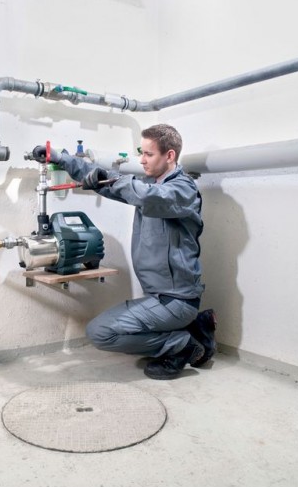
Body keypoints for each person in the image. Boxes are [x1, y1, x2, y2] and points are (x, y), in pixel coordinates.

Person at [32, 124, 216, 379]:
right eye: (141, 153)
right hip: (159, 297)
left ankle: (181, 345)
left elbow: (149, 196)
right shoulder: (150, 184)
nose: (142, 160)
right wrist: (61, 158)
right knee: (108, 329)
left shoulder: (182, 190)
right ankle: (196, 327)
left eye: (149, 154)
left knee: (100, 333)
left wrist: (115, 180)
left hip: (176, 301)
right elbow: (110, 183)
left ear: (170, 155)